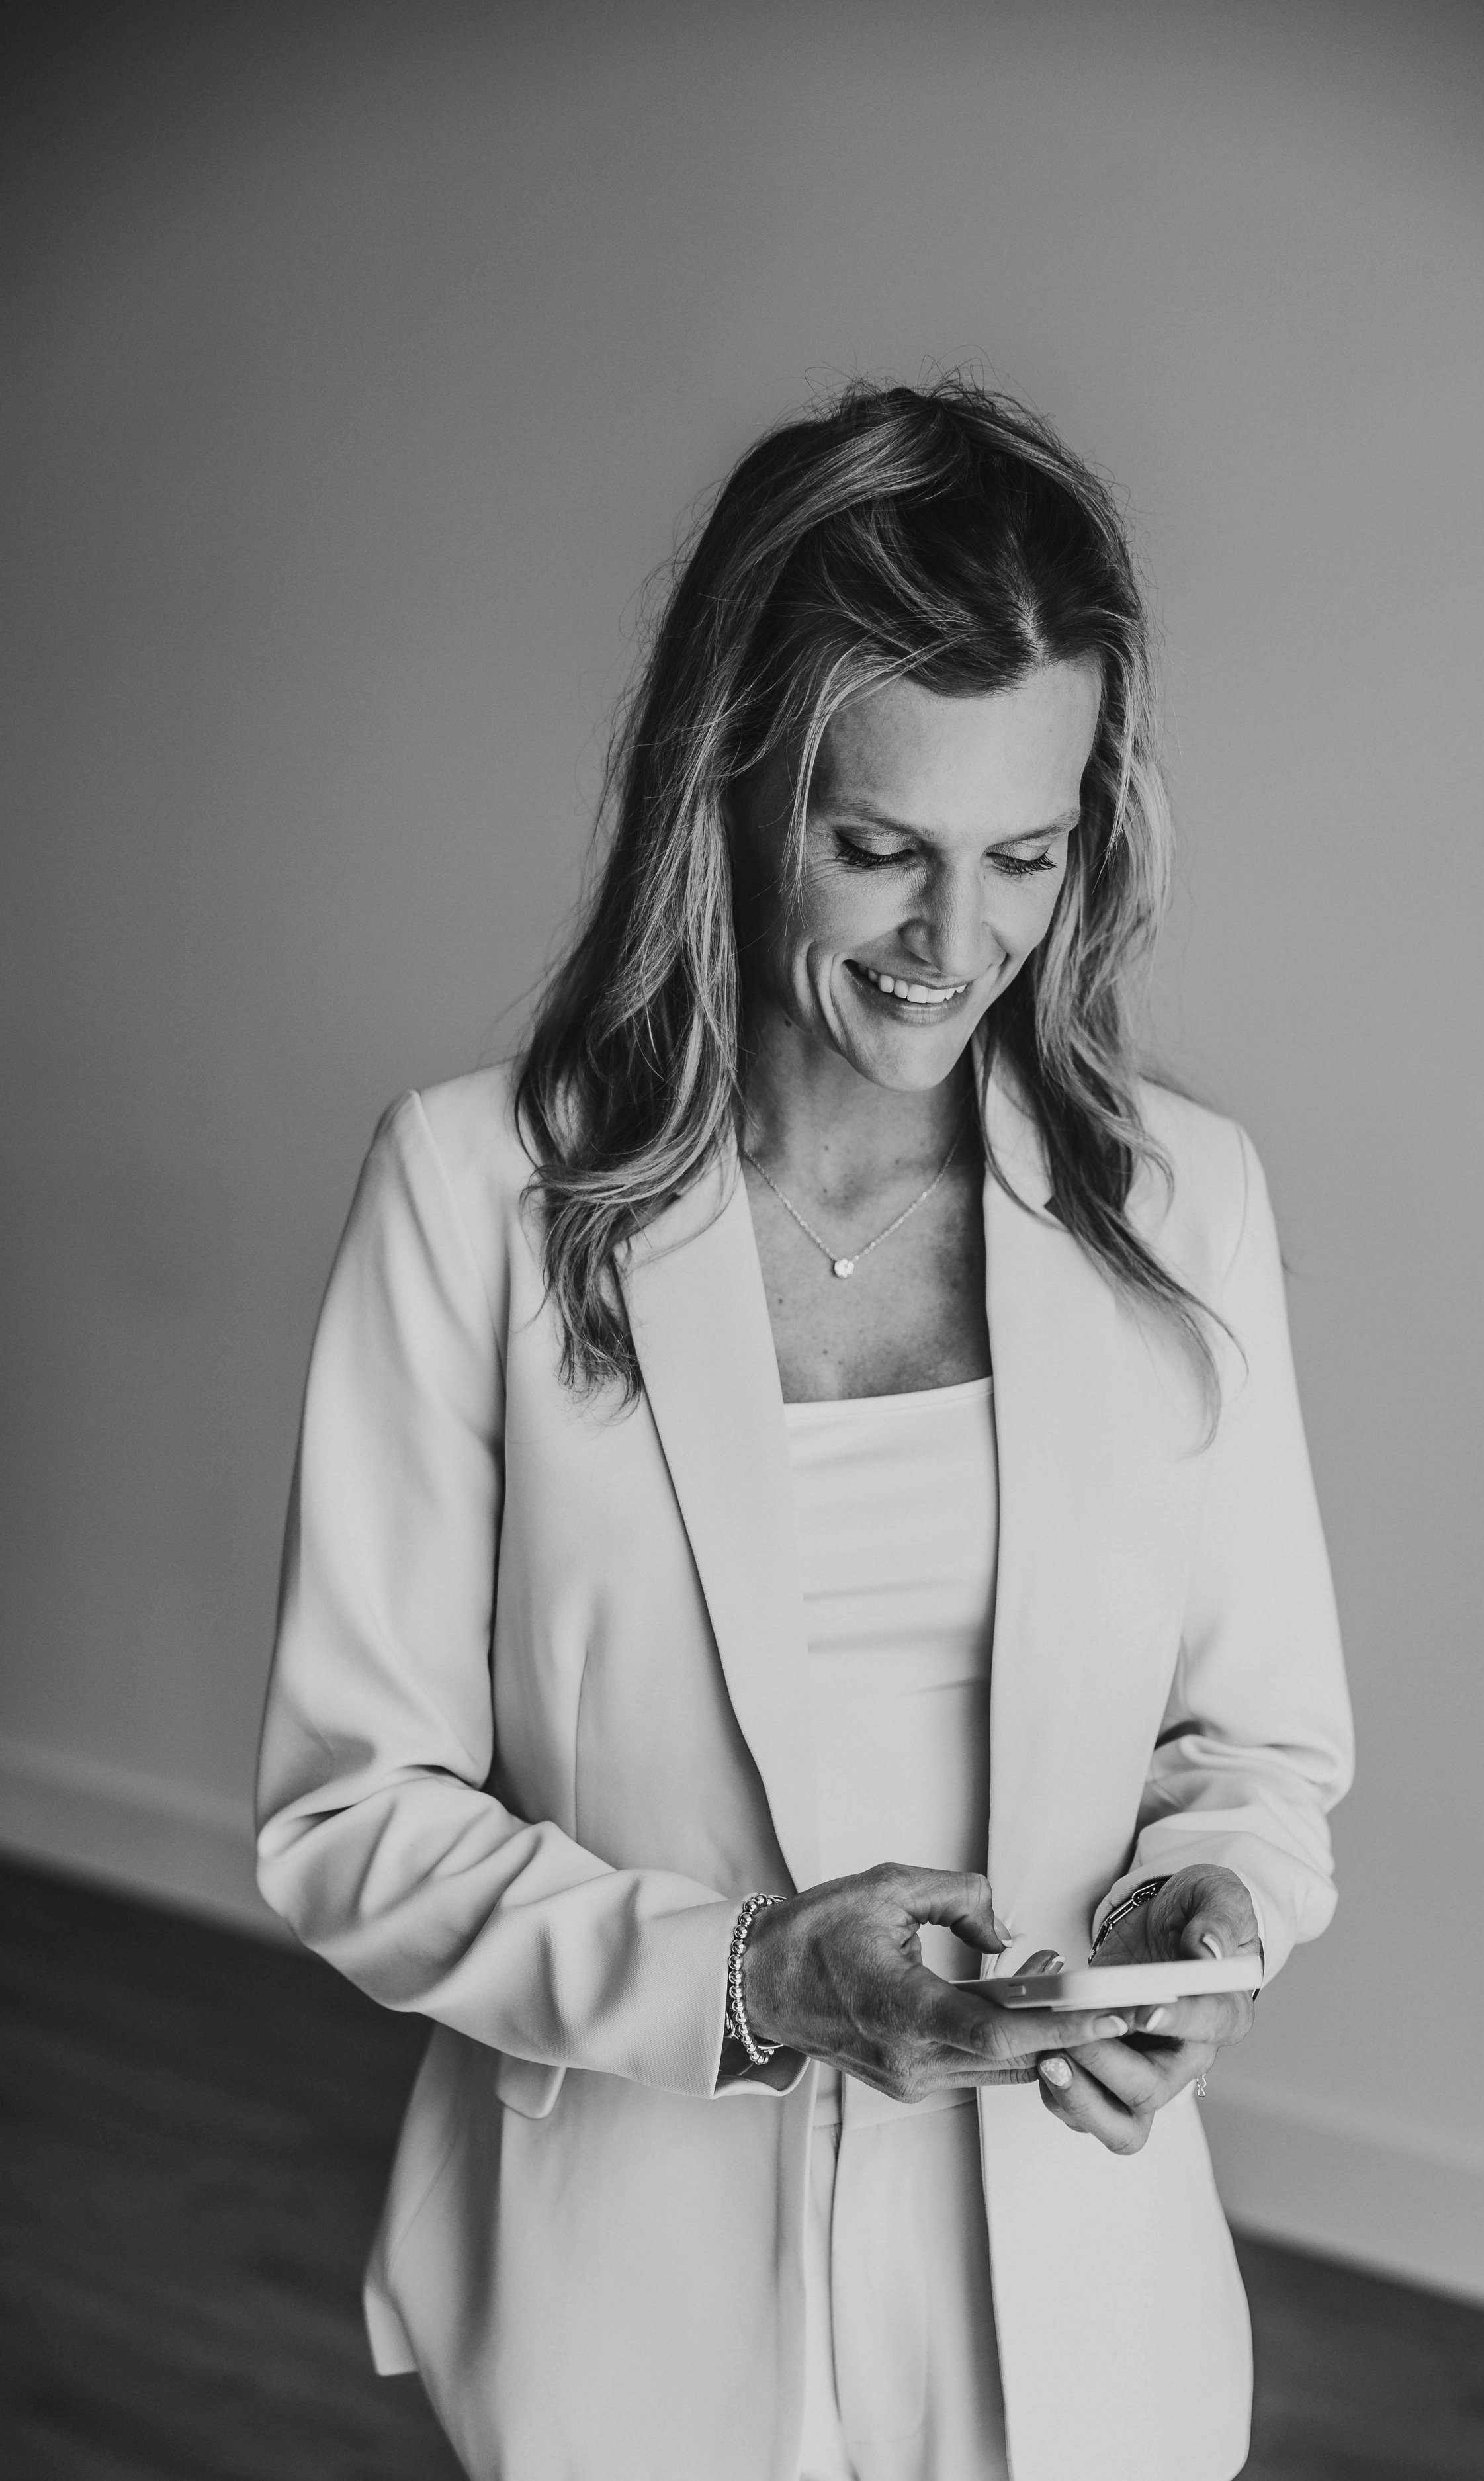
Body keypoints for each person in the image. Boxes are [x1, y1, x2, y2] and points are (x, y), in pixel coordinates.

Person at [256, 377, 1353, 2481]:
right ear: (734, 794)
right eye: (881, 852)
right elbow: (349, 1815)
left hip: (1073, 2293)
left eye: (1024, 856)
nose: (959, 946)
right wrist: (757, 1982)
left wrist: (1201, 1919)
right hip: (626, 2301)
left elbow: (1258, 1746)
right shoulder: (476, 1196)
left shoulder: (1180, 1201)